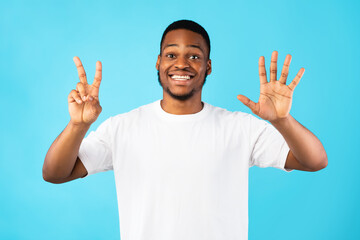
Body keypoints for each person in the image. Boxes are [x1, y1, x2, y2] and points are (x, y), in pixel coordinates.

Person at [43, 20, 327, 240]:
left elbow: (314, 161)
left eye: (194, 56)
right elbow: (55, 173)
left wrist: (281, 121)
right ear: (158, 63)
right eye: (171, 55)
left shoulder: (240, 128)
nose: (181, 63)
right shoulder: (123, 128)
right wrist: (78, 125)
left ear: (208, 66)